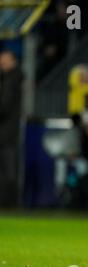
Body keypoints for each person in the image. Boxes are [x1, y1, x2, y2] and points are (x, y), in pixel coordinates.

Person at [0, 50, 24, 207]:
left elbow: (4, 107)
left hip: (6, 133)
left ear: (12, 61)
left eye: (3, 61)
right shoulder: (11, 79)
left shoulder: (11, 80)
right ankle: (10, 203)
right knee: (8, 169)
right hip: (8, 132)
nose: (1, 64)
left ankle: (8, 203)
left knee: (7, 170)